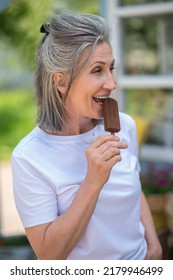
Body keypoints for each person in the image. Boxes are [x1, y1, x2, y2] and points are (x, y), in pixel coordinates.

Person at [11, 10, 162, 260]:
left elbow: (132, 184)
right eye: (97, 70)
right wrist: (92, 181)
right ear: (60, 81)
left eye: (111, 68)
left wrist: (153, 242)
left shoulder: (124, 125)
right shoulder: (29, 158)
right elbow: (49, 255)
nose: (112, 83)